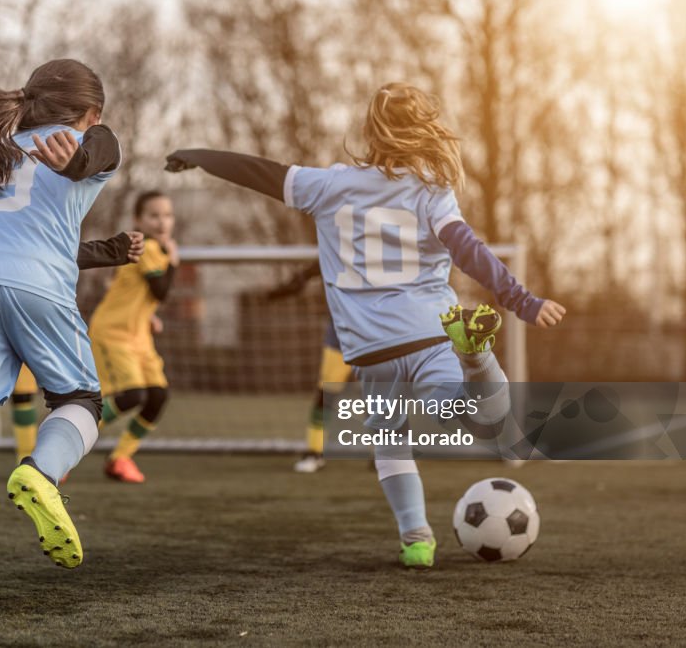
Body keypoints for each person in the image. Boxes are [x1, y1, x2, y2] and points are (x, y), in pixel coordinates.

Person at [164, 82, 566, 568]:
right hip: (431, 331)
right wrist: (520, 300)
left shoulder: (329, 185)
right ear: (424, 130)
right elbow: (468, 249)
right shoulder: (431, 191)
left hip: (370, 349)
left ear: (370, 132)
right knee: (466, 416)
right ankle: (476, 358)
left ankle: (417, 539)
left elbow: (260, 172)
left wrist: (200, 155)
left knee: (389, 440)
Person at [0, 59, 121, 614]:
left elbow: (29, 232)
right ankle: (39, 473)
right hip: (35, 283)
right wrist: (81, 159)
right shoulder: (90, 137)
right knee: (80, 401)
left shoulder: (1, 147)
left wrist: (106, 250)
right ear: (93, 112)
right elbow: (99, 151)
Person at [10, 232, 145, 463]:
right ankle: (38, 457)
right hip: (30, 308)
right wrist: (113, 250)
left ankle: (37, 456)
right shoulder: (32, 223)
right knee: (80, 398)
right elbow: (56, 252)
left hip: (28, 308)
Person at [88, 190, 180, 483]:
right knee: (132, 396)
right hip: (114, 333)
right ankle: (62, 445)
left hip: (138, 336)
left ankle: (120, 458)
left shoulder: (154, 250)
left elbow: (135, 292)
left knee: (157, 396)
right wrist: (175, 262)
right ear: (138, 220)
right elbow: (160, 291)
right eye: (154, 215)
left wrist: (147, 316)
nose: (162, 221)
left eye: (167, 215)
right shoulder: (149, 247)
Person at [265, 262, 354, 473]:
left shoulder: (382, 247)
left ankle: (389, 452)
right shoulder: (336, 245)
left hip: (379, 333)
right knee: (326, 395)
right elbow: (312, 270)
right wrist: (289, 287)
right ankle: (314, 451)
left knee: (383, 394)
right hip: (340, 335)